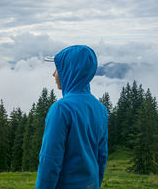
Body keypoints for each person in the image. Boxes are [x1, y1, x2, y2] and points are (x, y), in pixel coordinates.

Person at [36, 45, 108, 189]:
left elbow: (50, 161)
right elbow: (102, 157)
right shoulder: (100, 108)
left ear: (69, 71)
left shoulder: (61, 109)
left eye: (57, 68)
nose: (54, 74)